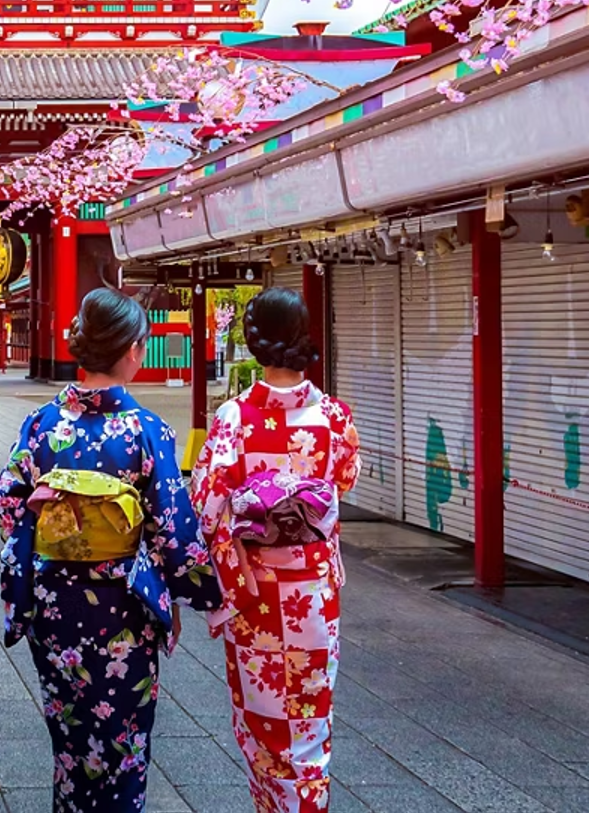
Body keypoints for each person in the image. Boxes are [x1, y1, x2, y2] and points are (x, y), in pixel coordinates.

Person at [0, 288, 223, 812]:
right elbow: (173, 528)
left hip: (54, 605)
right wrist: (206, 596)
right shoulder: (146, 431)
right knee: (123, 745)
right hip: (122, 608)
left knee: (71, 738)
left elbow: (10, 508)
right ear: (132, 350)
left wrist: (42, 515)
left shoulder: (41, 425)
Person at [192, 287, 360, 813]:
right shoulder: (334, 417)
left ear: (253, 340)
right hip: (312, 593)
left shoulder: (233, 419)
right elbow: (345, 481)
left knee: (263, 725)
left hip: (257, 592)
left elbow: (205, 502)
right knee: (310, 724)